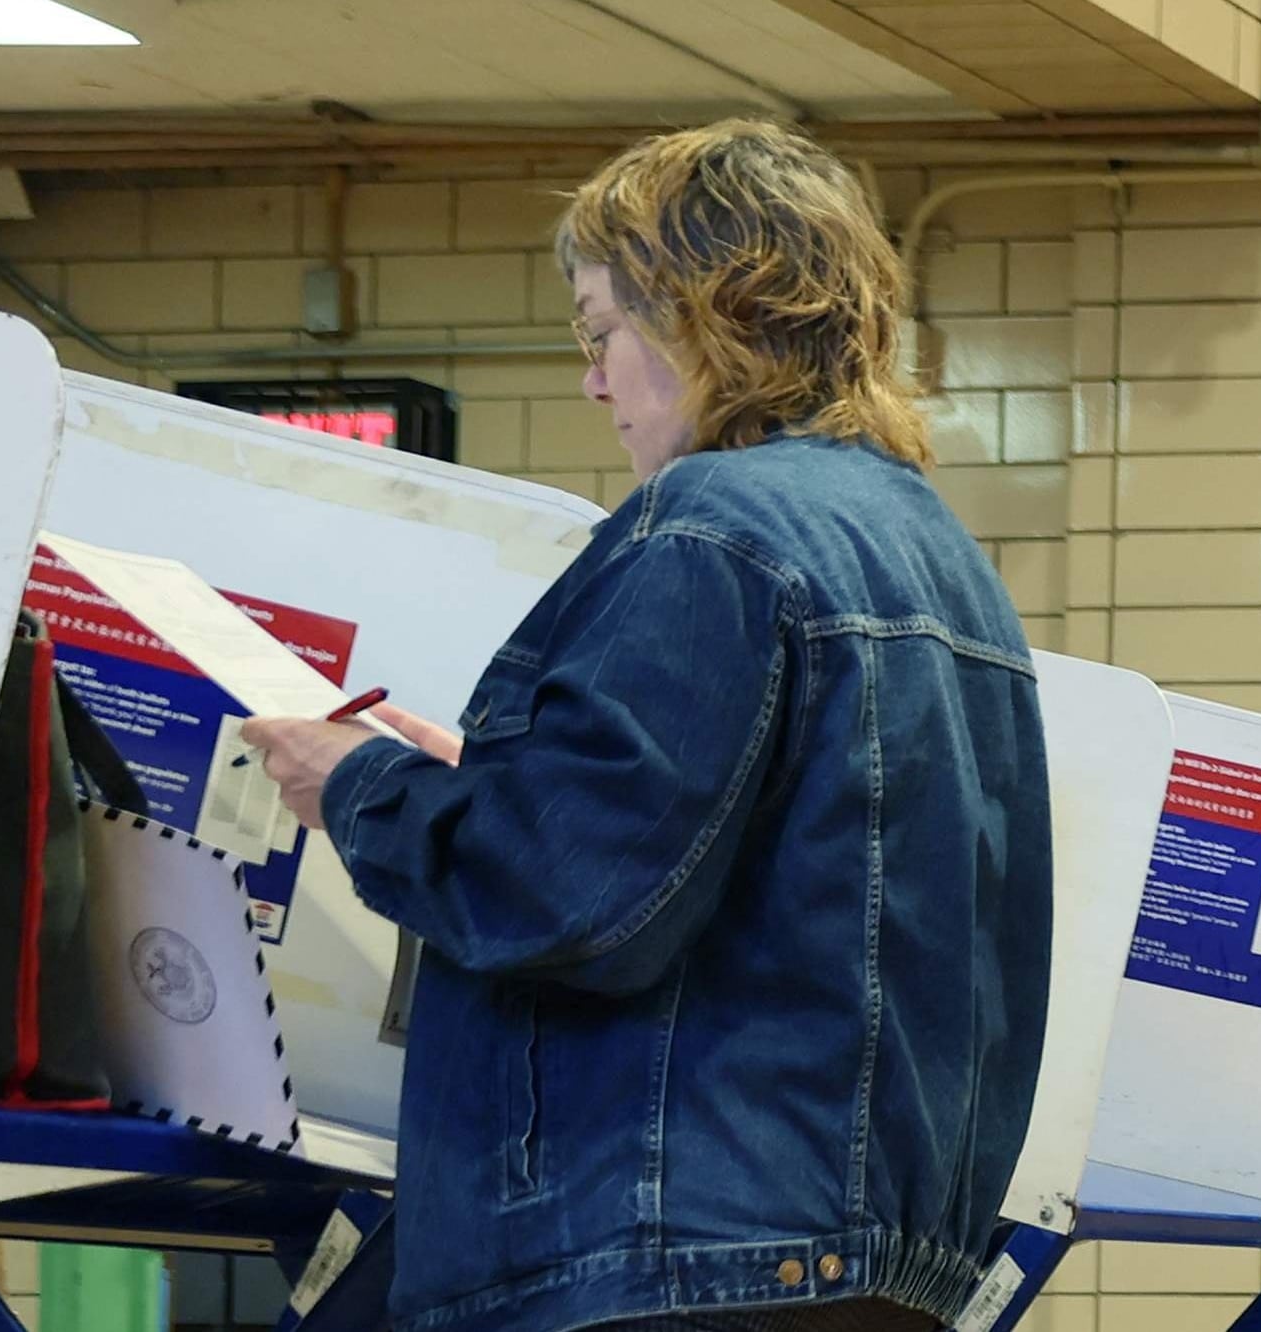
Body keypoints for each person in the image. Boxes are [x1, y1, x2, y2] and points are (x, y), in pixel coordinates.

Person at [242, 118, 1054, 1332]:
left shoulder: (709, 527)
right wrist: (510, 788)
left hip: (672, 1260)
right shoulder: (935, 555)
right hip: (867, 1262)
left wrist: (358, 784)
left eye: (599, 328)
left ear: (699, 310)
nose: (592, 378)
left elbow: (570, 903)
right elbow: (759, 861)